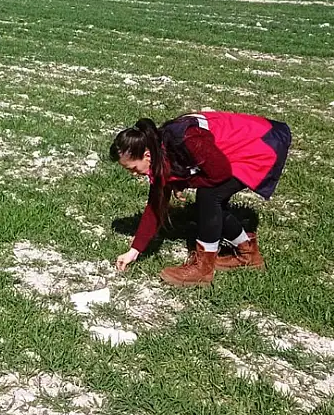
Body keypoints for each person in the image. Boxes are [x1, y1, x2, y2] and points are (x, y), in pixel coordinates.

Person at [111, 112, 291, 287]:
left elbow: (221, 173)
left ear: (147, 155)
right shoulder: (159, 153)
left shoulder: (187, 140)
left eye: (133, 168)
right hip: (249, 142)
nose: (134, 174)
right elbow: (155, 206)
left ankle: (203, 268)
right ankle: (248, 253)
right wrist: (134, 251)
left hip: (263, 141)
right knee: (210, 199)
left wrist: (181, 183)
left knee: (209, 195)